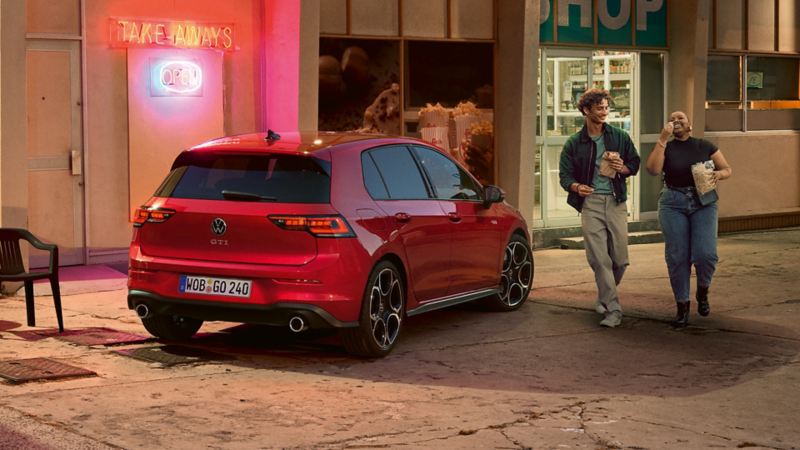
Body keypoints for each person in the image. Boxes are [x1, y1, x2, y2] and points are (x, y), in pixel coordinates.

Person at [559, 89, 640, 328]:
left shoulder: (619, 137)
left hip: (616, 201)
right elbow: (565, 176)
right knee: (599, 259)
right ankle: (613, 309)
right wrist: (576, 187)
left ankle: (604, 296)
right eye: (600, 108)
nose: (604, 112)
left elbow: (634, 163)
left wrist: (622, 167)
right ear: (586, 110)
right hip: (591, 203)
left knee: (621, 260)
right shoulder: (575, 142)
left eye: (606, 108)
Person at [645, 111, 732, 327]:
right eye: (672, 119)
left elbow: (727, 169)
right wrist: (662, 139)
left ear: (690, 125)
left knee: (706, 254)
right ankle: (682, 305)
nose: (676, 121)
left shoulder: (704, 145)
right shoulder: (666, 147)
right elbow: (653, 170)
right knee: (677, 256)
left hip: (704, 201)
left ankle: (702, 290)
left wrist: (719, 175)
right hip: (673, 202)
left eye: (681, 118)